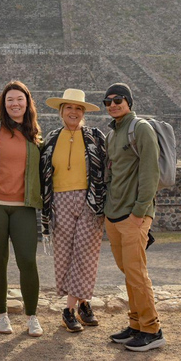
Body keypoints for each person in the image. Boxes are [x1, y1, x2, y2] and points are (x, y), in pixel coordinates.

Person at [102, 83, 166, 352]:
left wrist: (140, 212)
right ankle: (136, 324)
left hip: (133, 214)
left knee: (137, 272)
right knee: (128, 271)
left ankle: (152, 329)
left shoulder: (140, 128)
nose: (113, 104)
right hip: (114, 213)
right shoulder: (113, 133)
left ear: (129, 101)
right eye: (108, 101)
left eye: (119, 99)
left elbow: (151, 172)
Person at [40, 88, 107, 333]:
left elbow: (105, 170)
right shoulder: (51, 139)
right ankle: (84, 305)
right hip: (59, 201)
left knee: (85, 253)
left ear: (83, 113)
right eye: (69, 107)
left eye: (79, 108)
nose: (74, 112)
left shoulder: (95, 137)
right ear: (61, 111)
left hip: (89, 201)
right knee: (65, 255)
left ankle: (68, 310)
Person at [0, 81, 44, 337]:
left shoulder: (34, 133)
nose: (15, 104)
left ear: (27, 103)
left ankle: (32, 316)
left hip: (24, 206)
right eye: (9, 100)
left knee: (28, 261)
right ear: (3, 104)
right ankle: (1, 315)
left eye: (19, 99)